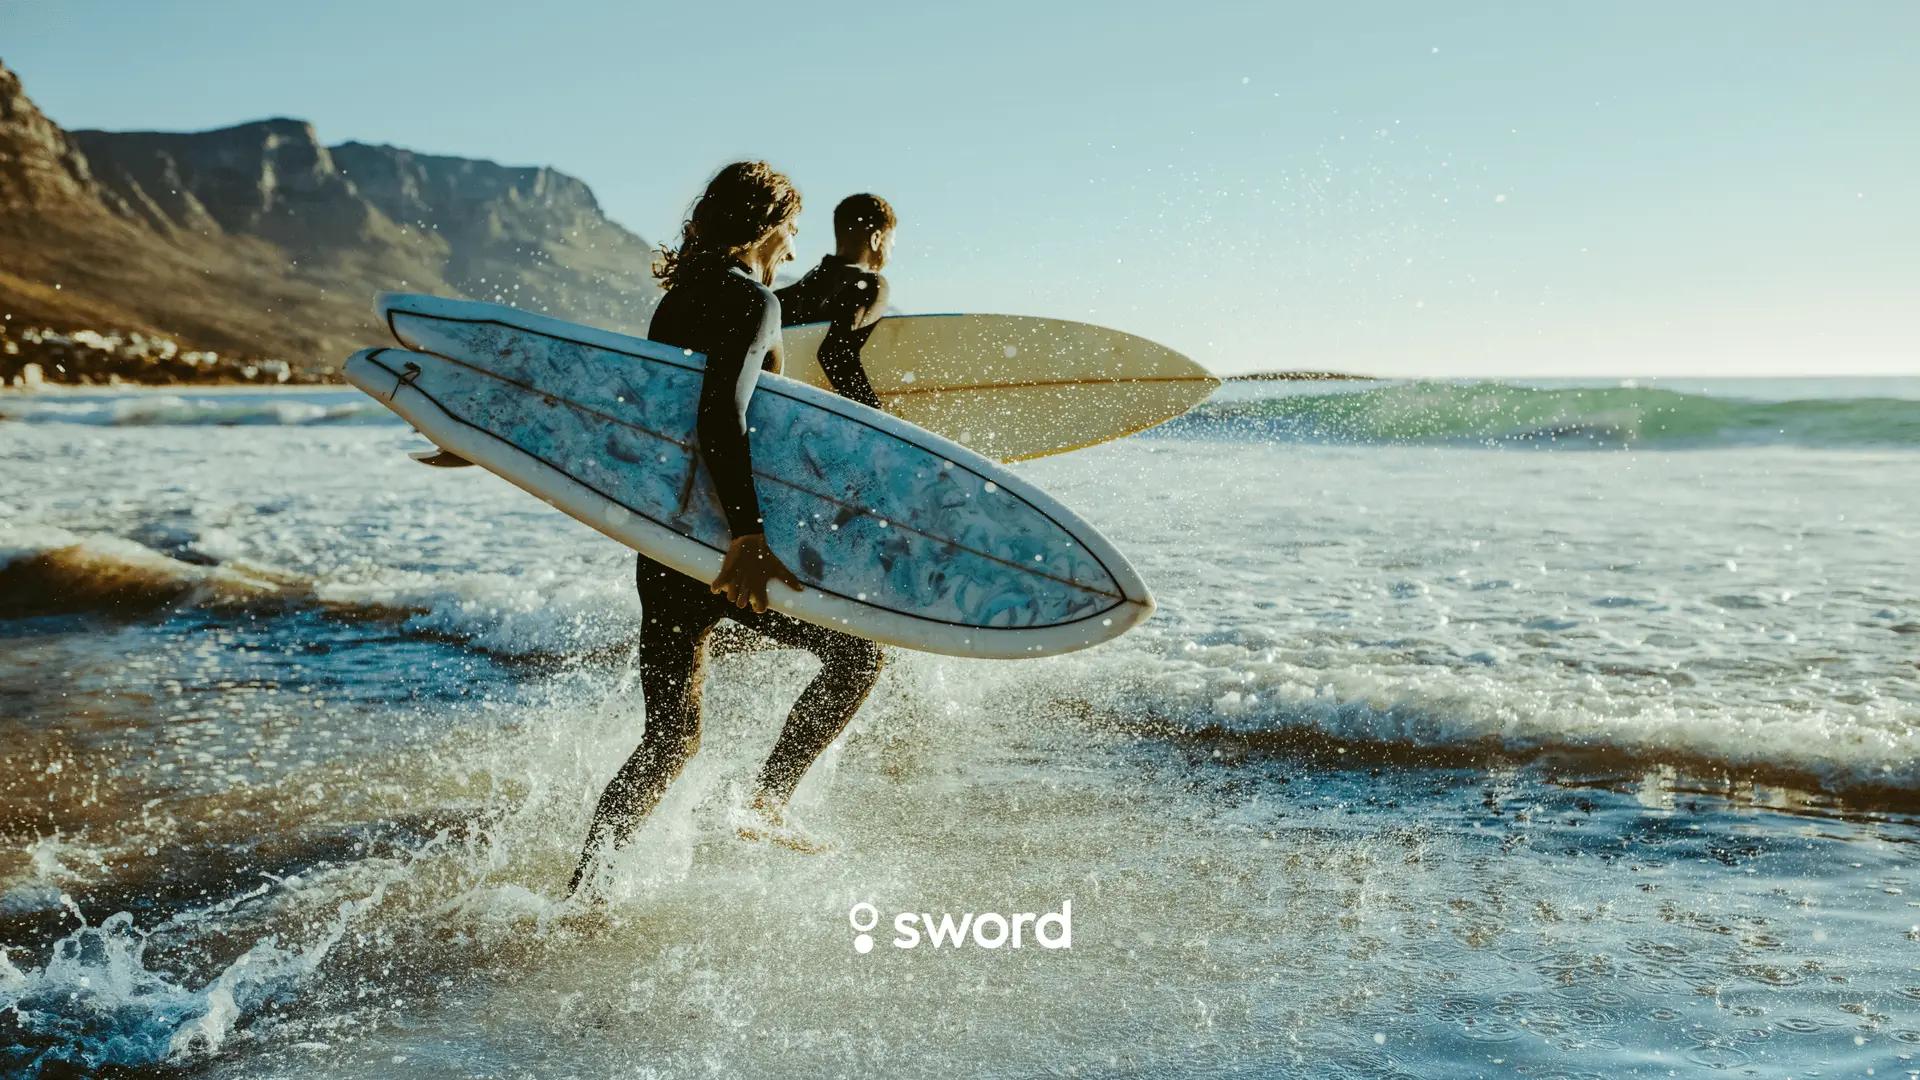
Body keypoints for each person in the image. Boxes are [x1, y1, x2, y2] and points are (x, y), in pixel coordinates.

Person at [569, 163, 885, 896]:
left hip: (667, 542)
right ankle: (768, 802)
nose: (794, 249)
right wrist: (747, 537)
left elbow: (655, 416)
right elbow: (722, 414)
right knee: (858, 657)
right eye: (793, 231)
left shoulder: (679, 300)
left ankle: (584, 895)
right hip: (724, 545)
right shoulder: (751, 301)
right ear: (768, 226)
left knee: (670, 740)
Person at [774, 193, 897, 409]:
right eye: (891, 245)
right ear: (876, 239)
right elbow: (835, 354)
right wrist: (874, 415)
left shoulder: (787, 295)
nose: (890, 255)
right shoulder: (871, 284)